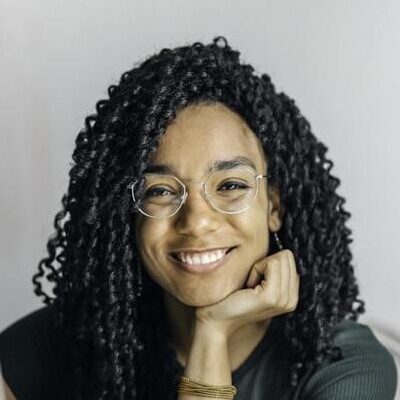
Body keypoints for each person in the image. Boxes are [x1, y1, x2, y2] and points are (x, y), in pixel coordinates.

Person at [0, 36, 397, 400]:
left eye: (230, 186)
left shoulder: (346, 367)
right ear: (129, 216)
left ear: (273, 207)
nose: (197, 222)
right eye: (160, 191)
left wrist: (212, 331)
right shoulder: (70, 340)